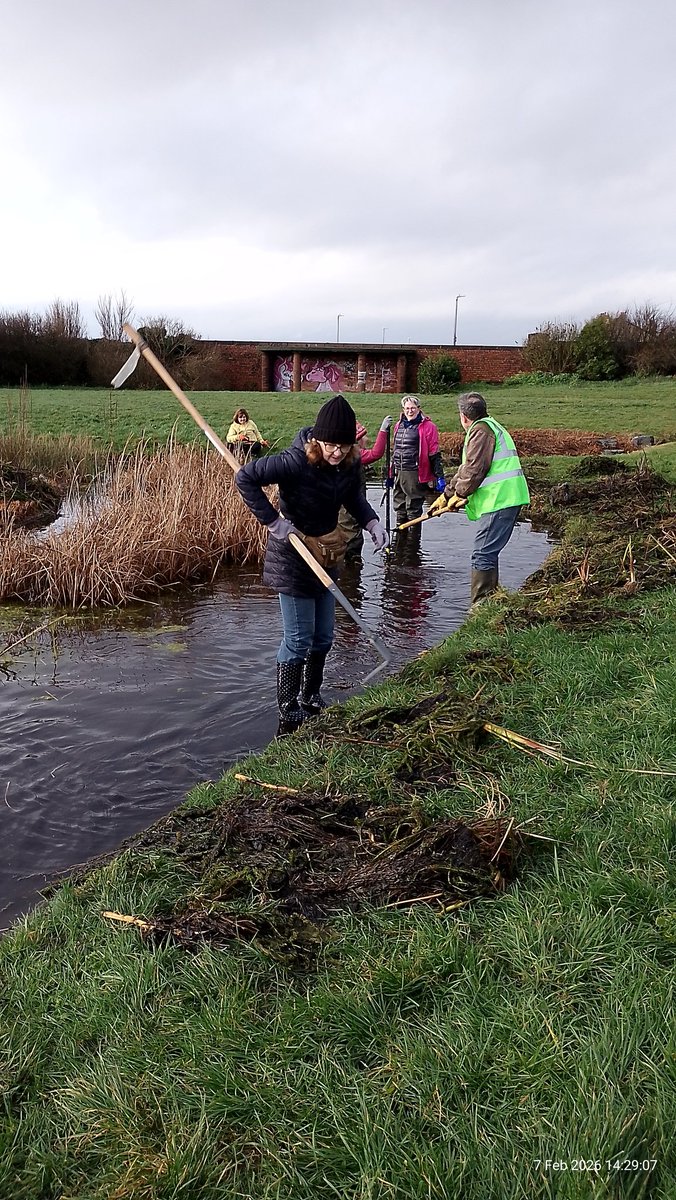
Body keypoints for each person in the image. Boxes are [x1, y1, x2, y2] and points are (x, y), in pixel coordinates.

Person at [235, 394, 388, 735]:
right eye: (331, 445)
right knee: (298, 638)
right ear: (318, 440)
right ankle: (287, 710)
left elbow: (353, 497)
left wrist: (372, 522)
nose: (337, 452)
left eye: (344, 446)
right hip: (292, 557)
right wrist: (273, 522)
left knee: (323, 637)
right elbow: (245, 477)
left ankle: (311, 695)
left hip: (325, 554)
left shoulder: (348, 463)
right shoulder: (294, 461)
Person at [428, 391, 530, 604]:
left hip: (501, 500)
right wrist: (446, 495)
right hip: (505, 498)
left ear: (463, 416)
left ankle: (481, 606)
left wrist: (460, 494)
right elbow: (466, 469)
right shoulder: (488, 426)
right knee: (487, 552)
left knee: (482, 553)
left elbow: (475, 470)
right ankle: (492, 597)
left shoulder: (481, 431)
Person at [338, 414, 393, 561]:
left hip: (352, 508)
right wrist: (383, 431)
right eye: (364, 437)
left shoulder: (348, 453)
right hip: (349, 516)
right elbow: (376, 453)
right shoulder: (355, 453)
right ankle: (351, 564)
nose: (367, 440)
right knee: (351, 532)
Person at [388, 394, 445, 527]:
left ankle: (413, 542)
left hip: (415, 471)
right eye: (407, 408)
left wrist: (439, 476)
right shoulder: (398, 425)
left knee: (413, 506)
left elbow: (434, 452)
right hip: (399, 470)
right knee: (400, 504)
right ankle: (400, 538)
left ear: (419, 408)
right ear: (403, 409)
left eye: (413, 408)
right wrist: (390, 473)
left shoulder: (429, 427)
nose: (410, 411)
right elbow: (395, 449)